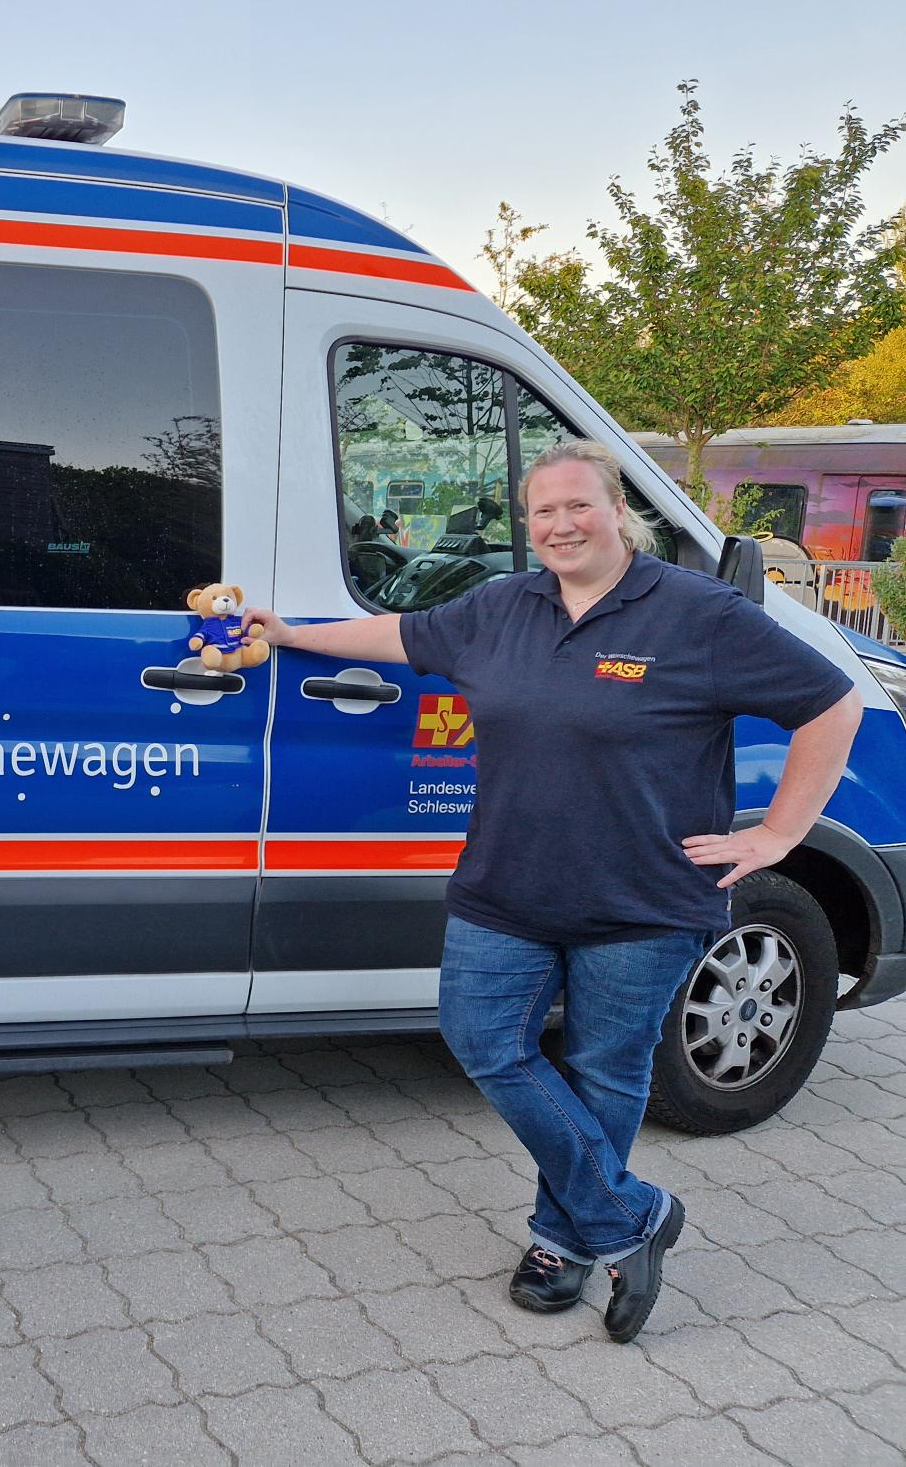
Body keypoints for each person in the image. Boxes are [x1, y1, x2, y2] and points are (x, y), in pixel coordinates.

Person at [243, 439, 860, 1343]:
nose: (561, 525)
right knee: (483, 1039)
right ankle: (632, 1216)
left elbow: (832, 703)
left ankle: (560, 1243)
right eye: (543, 511)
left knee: (605, 1070)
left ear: (619, 511)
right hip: (508, 886)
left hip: (643, 898)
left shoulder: (697, 613)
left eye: (579, 506)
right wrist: (292, 633)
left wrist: (779, 834)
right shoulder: (502, 606)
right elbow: (400, 636)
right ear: (527, 524)